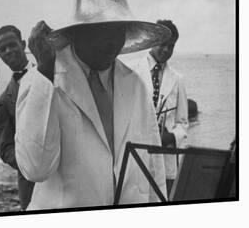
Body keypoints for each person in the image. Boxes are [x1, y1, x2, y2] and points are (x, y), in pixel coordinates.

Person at [14, 20, 166, 210]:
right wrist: (45, 71)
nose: (112, 42)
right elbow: (35, 168)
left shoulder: (136, 84)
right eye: (102, 30)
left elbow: (153, 165)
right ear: (76, 33)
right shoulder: (41, 80)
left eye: (118, 31)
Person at [129, 19, 188, 196]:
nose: (167, 50)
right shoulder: (131, 71)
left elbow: (183, 123)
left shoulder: (177, 79)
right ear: (153, 40)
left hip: (166, 159)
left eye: (171, 46)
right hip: (137, 155)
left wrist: (169, 137)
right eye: (163, 44)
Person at [0, 25, 35, 210]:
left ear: (24, 44)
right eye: (3, 49)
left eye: (12, 45)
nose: (8, 51)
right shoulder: (4, 99)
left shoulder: (50, 74)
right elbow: (5, 148)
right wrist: (27, 163)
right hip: (30, 184)